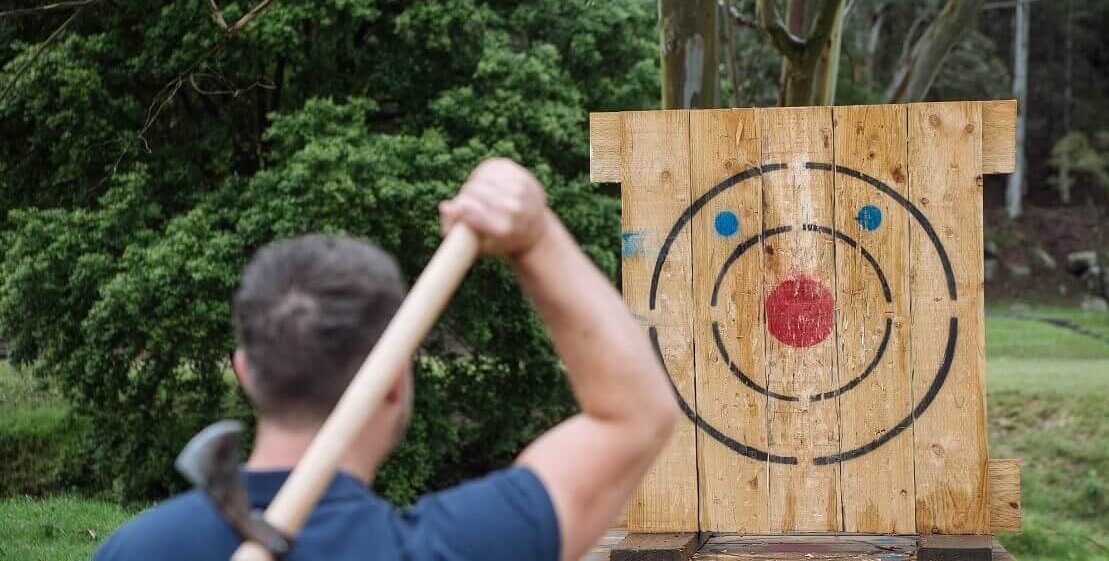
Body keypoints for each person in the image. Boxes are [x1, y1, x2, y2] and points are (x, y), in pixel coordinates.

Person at [94, 158, 679, 561]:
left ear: (245, 371)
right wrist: (535, 237)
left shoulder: (136, 550)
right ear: (396, 378)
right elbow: (637, 415)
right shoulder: (451, 547)